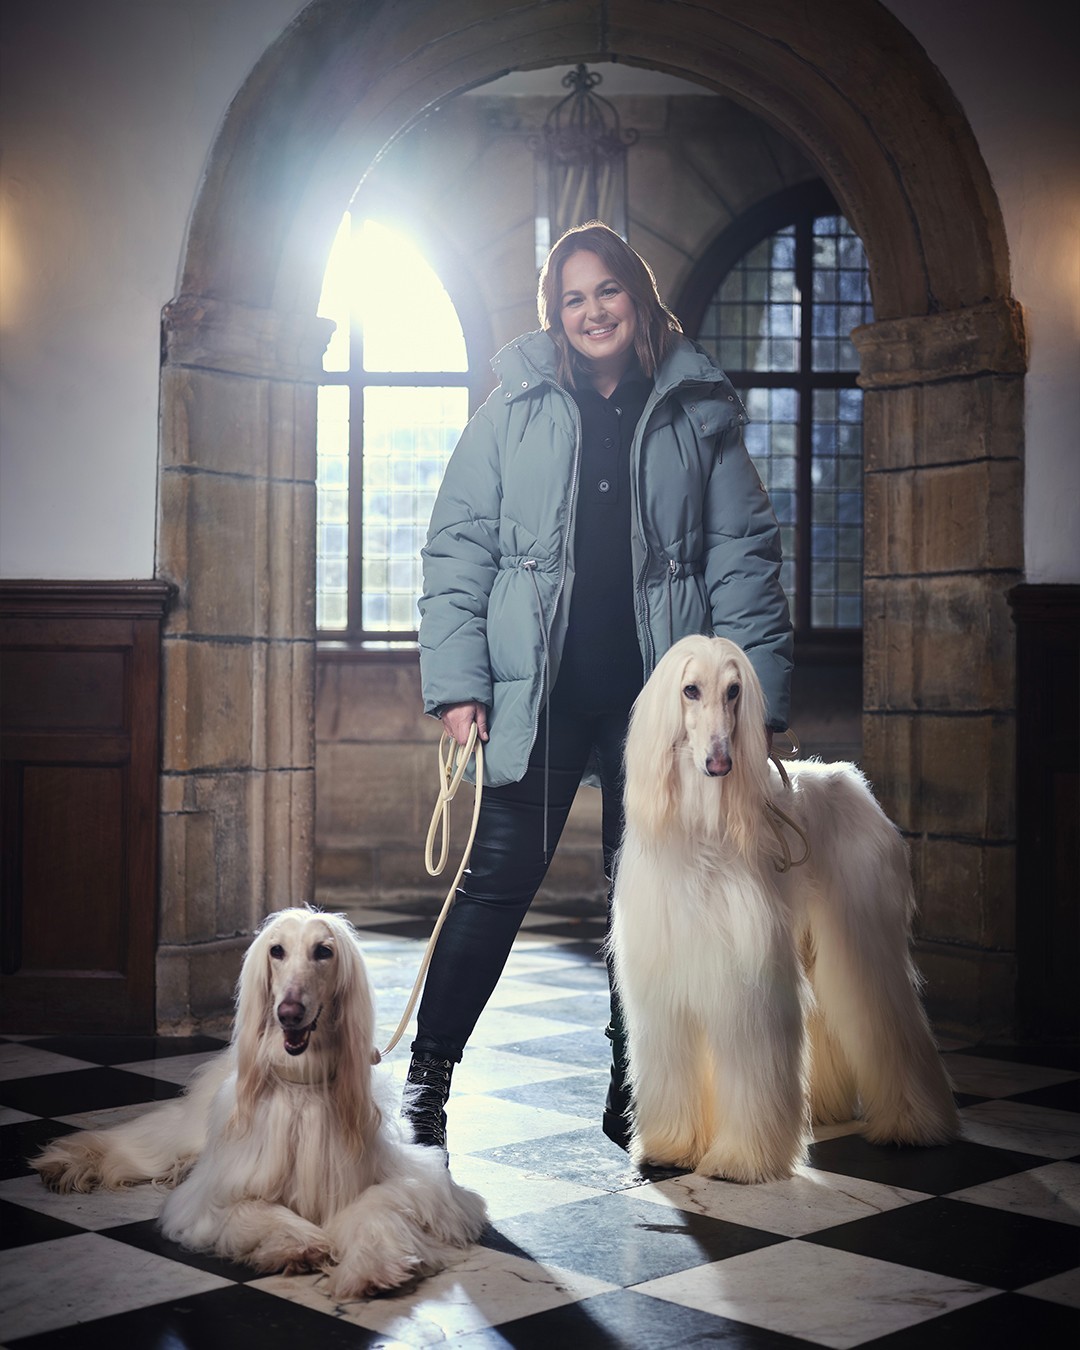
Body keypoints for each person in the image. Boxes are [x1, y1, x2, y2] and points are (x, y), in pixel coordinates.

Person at [405, 221, 793, 1152]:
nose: (592, 311)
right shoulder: (512, 408)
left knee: (649, 897)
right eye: (572, 298)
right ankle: (427, 1080)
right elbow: (459, 547)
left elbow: (744, 560)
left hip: (663, 714)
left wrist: (754, 707)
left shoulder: (697, 409)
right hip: (538, 696)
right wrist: (459, 686)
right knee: (494, 887)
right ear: (556, 314)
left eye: (607, 290)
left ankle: (638, 1087)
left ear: (637, 296)